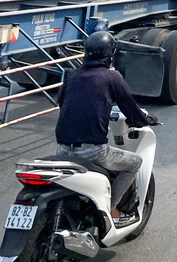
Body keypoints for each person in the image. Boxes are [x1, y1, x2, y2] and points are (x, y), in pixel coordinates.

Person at [55, 31, 158, 226]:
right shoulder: (112, 77)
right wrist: (147, 120)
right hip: (93, 151)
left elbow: (63, 103)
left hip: (63, 149)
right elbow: (131, 110)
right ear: (110, 54)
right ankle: (110, 209)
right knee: (135, 162)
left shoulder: (72, 75)